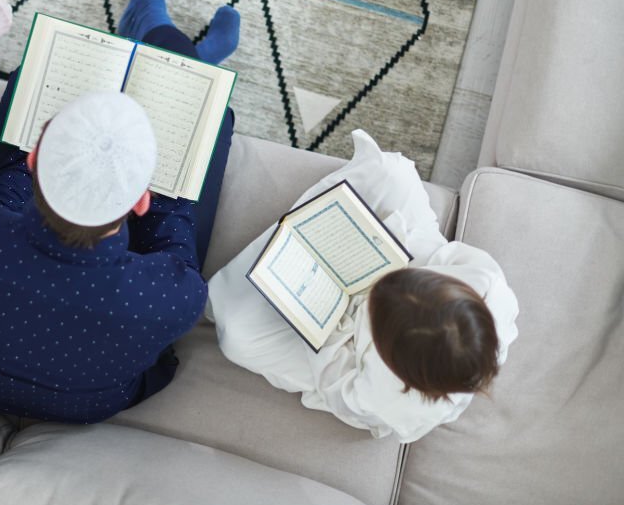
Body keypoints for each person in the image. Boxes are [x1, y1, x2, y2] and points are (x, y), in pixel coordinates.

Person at [0, 0, 241, 423]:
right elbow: (173, 237)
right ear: (141, 201)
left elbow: (6, 189)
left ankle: (157, 27)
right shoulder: (174, 297)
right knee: (214, 122)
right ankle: (163, 34)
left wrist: (63, 159)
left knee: (26, 82)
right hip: (92, 402)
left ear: (34, 159)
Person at [205, 129, 520, 443]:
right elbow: (433, 248)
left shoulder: (390, 402)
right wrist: (379, 246)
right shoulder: (486, 283)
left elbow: (335, 382)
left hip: (341, 346)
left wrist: (327, 323)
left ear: (386, 353)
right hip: (404, 255)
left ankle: (288, 253)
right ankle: (309, 236)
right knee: (392, 173)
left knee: (237, 333)